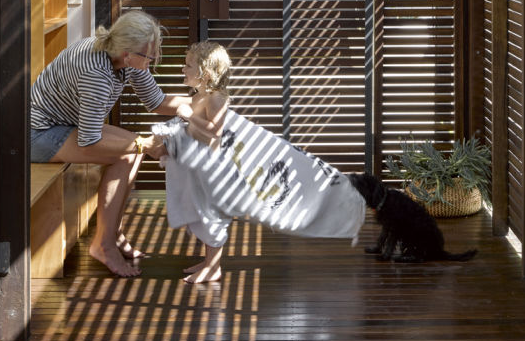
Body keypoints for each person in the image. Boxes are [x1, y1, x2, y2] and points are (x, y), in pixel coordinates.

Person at [148, 41, 365, 283]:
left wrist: (189, 117)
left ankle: (213, 267)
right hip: (203, 166)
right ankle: (208, 261)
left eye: (188, 65)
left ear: (205, 74)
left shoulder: (216, 98)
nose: (182, 69)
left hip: (217, 167)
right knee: (203, 210)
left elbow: (215, 133)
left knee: (212, 213)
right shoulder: (199, 96)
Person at [29, 8, 199, 278]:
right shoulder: (95, 74)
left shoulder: (125, 57)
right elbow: (89, 142)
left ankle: (113, 234)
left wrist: (206, 103)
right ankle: (104, 245)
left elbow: (156, 101)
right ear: (127, 53)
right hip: (39, 133)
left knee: (133, 149)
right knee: (128, 152)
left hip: (68, 124)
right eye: (150, 55)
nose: (154, 59)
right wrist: (144, 144)